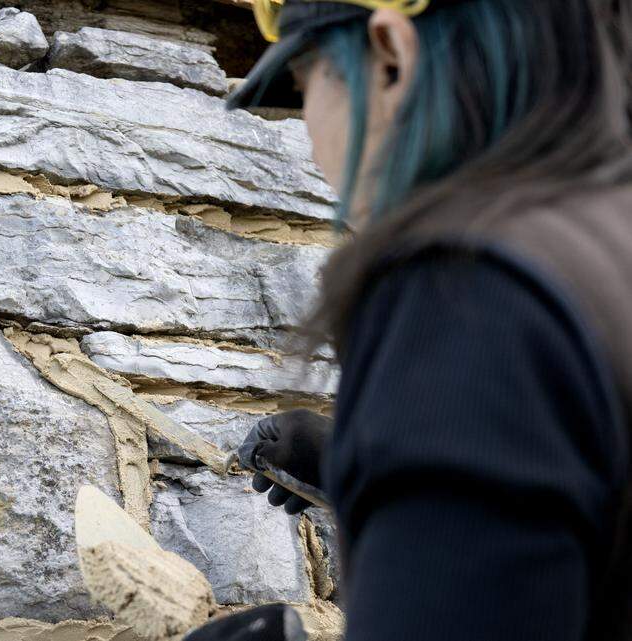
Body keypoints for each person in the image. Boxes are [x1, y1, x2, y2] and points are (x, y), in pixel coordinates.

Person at [187, 0, 632, 639]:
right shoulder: (601, 239)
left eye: (306, 83)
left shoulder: (468, 294)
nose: (310, 138)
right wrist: (398, 470)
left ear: (391, 57)